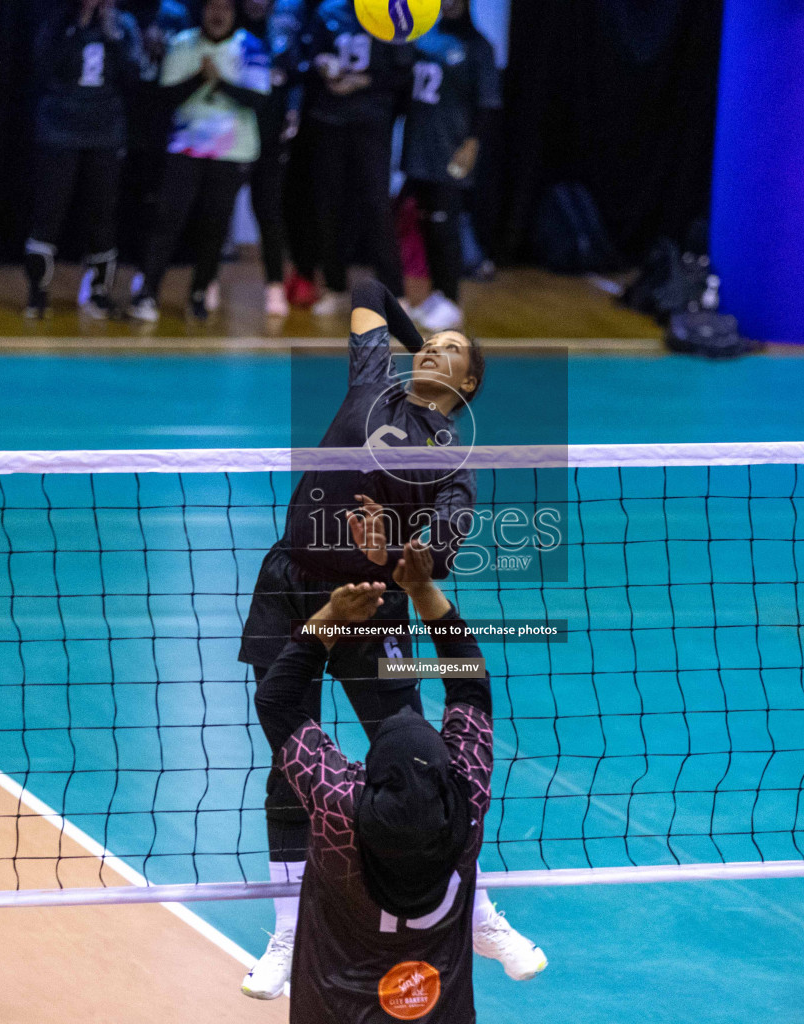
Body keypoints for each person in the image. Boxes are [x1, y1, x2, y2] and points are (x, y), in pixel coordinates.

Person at [238, 279, 543, 999]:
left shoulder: (453, 466)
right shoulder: (373, 382)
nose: (433, 349)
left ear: (467, 385)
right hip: (291, 589)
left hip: (372, 605)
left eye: (451, 351)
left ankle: (478, 912)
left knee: (420, 753)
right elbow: (371, 287)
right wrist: (420, 346)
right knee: (290, 761)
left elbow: (435, 562)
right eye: (429, 342)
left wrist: (394, 548)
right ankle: (288, 932)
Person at [254, 538, 496, 1020]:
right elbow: (471, 682)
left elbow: (276, 702)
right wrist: (424, 590)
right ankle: (482, 916)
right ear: (447, 777)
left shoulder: (339, 808)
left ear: (366, 780)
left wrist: (327, 621)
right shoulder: (464, 803)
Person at [130, 0, 270, 322]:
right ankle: (148, 293)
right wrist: (200, 78)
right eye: (211, 6)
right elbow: (164, 97)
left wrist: (219, 82)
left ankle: (199, 293)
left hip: (232, 152)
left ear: (234, 13)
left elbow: (259, 99)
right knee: (167, 219)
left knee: (215, 225)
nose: (217, 14)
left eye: (225, 7)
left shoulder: (251, 47)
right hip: (186, 147)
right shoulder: (182, 44)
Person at [25, 0, 149, 319]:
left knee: (102, 213)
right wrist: (77, 25)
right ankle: (38, 292)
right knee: (50, 210)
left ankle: (98, 292)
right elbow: (43, 66)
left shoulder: (124, 26)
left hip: (105, 132)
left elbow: (134, 77)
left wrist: (112, 36)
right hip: (59, 130)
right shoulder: (56, 20)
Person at [299, 0, 413, 315]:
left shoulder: (391, 13)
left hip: (371, 123)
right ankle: (335, 287)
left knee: (377, 206)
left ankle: (396, 295)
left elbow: (404, 74)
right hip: (329, 120)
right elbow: (309, 55)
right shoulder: (327, 11)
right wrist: (323, 65)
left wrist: (363, 81)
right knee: (328, 206)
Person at [401, 0, 499, 332]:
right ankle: (434, 297)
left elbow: (487, 103)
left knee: (446, 226)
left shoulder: (478, 46)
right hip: (419, 148)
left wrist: (472, 143)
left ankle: (451, 299)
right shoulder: (423, 38)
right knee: (424, 223)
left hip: (452, 150)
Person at [240, 0, 307, 317]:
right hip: (229, 135)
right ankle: (205, 283)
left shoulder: (284, 31)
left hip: (269, 139)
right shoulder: (230, 28)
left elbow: (294, 79)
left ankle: (274, 287)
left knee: (269, 212)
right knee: (213, 210)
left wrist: (292, 110)